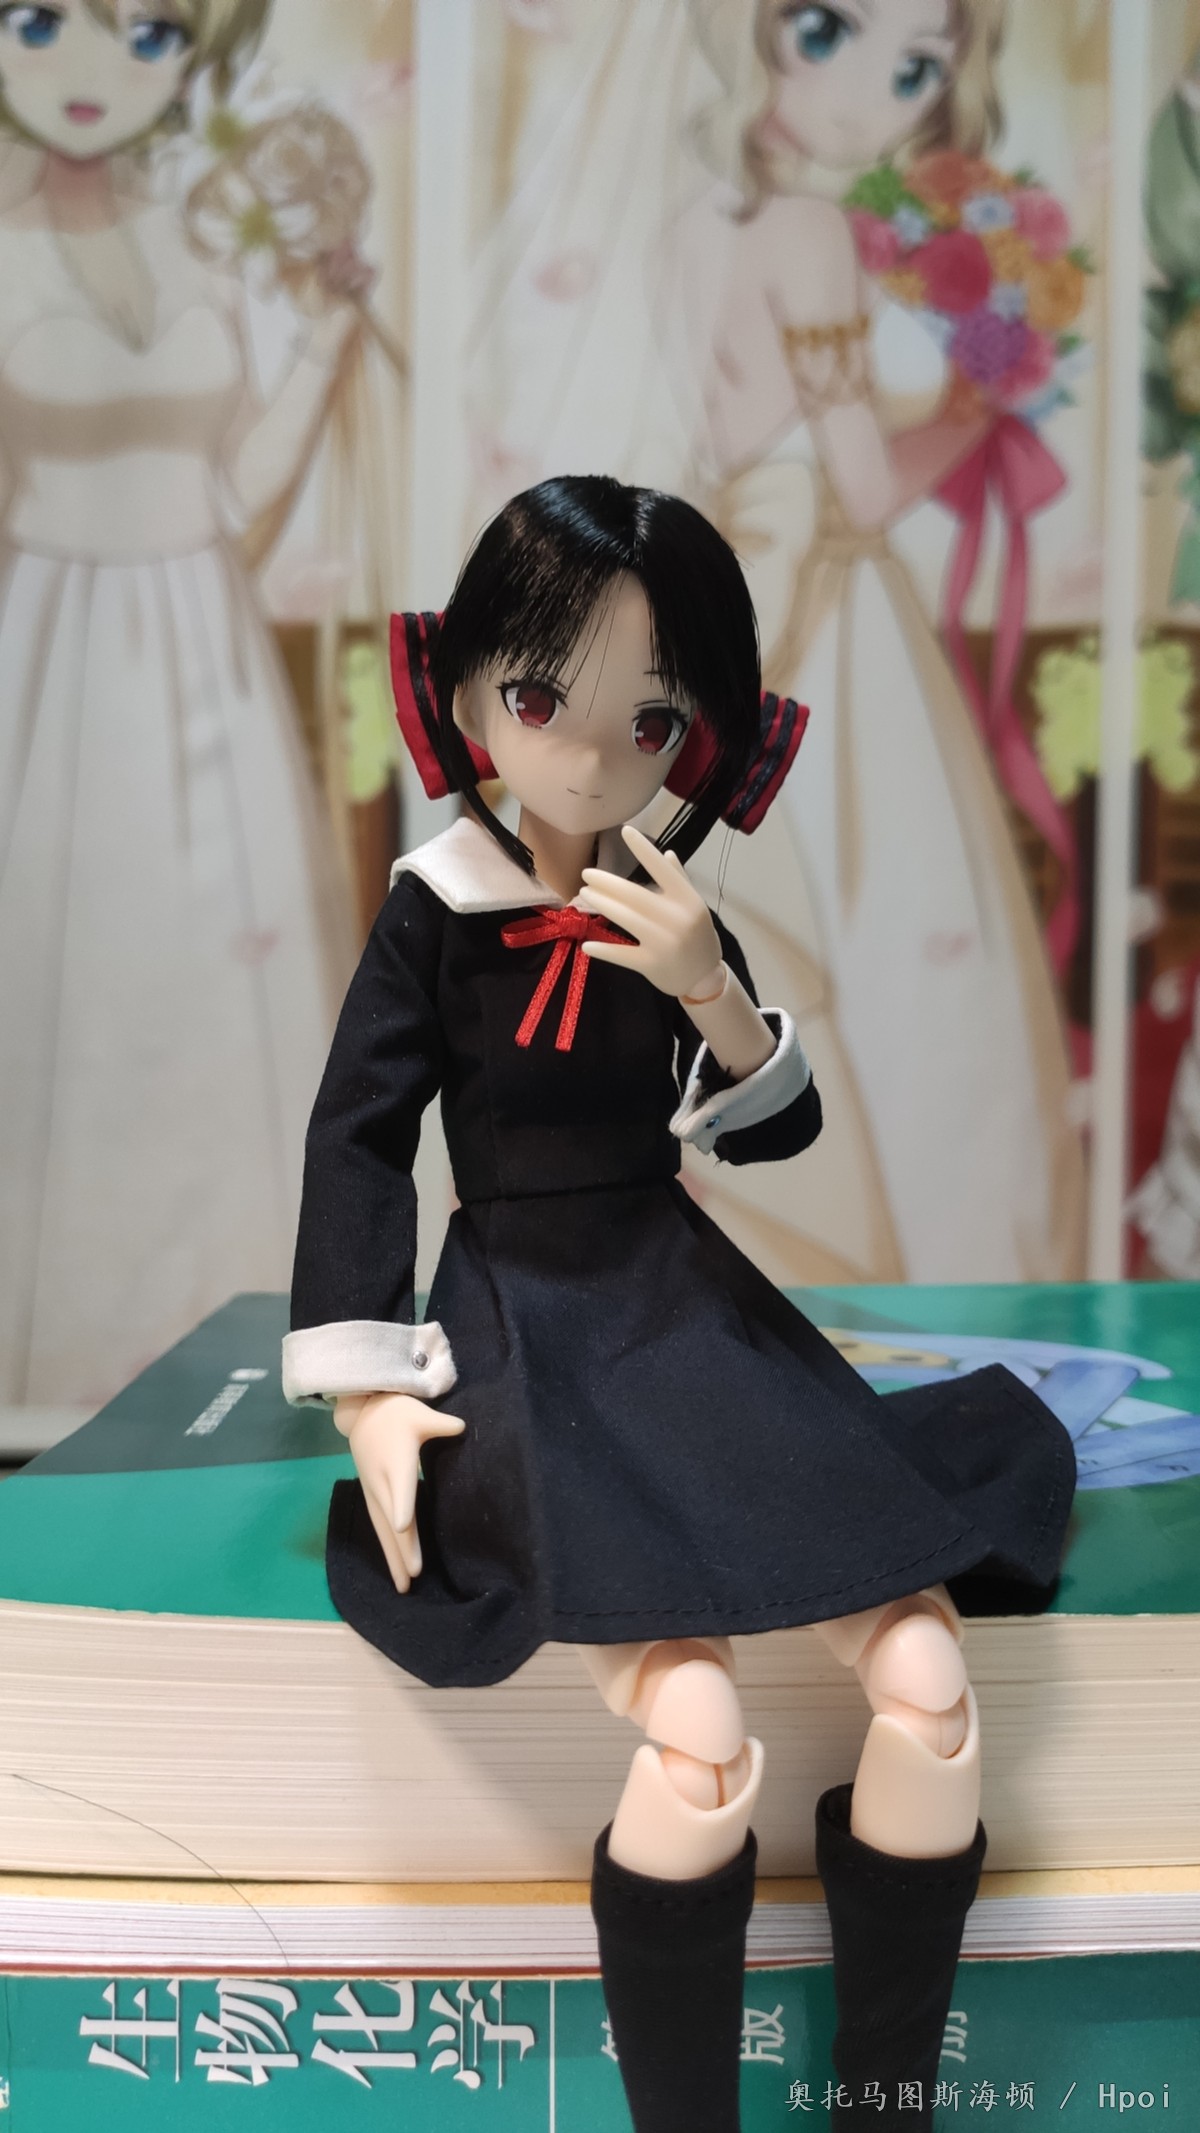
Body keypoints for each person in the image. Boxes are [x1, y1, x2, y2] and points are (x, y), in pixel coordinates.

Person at [283, 476, 1076, 2133]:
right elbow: (357, 1135)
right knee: (697, 1721)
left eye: (646, 722)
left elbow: (773, 1125)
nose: (589, 757)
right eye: (539, 700)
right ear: (468, 694)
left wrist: (708, 983)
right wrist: (369, 1386)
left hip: (677, 1293)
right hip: (523, 1318)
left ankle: (885, 2102)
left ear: (692, 737)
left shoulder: (669, 904)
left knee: (927, 1676)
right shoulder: (437, 908)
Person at [660, 0, 1086, 1287]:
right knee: (894, 928)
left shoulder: (691, 226)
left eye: (914, 70)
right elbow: (860, 484)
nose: (866, 99)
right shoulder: (807, 230)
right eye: (827, 35)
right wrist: (974, 408)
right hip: (834, 615)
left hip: (745, 594)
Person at [0, 0, 358, 1416]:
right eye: (42, 21)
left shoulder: (201, 238)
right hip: (49, 656)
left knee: (222, 1005)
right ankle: (47, 1376)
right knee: (66, 999)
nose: (93, 72)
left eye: (147, 34)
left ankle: (236, 1363)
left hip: (207, 644)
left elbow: (237, 485)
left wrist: (326, 338)